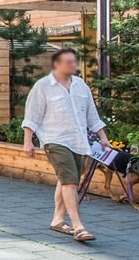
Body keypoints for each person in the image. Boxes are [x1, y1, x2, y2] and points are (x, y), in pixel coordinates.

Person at [21, 48, 105, 243]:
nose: (73, 65)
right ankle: (78, 226)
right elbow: (32, 116)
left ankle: (58, 220)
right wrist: (28, 141)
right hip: (55, 140)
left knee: (67, 179)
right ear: (57, 64)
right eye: (69, 62)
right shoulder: (43, 86)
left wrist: (103, 137)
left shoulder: (81, 86)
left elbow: (92, 115)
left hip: (78, 141)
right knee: (70, 182)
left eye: (74, 62)